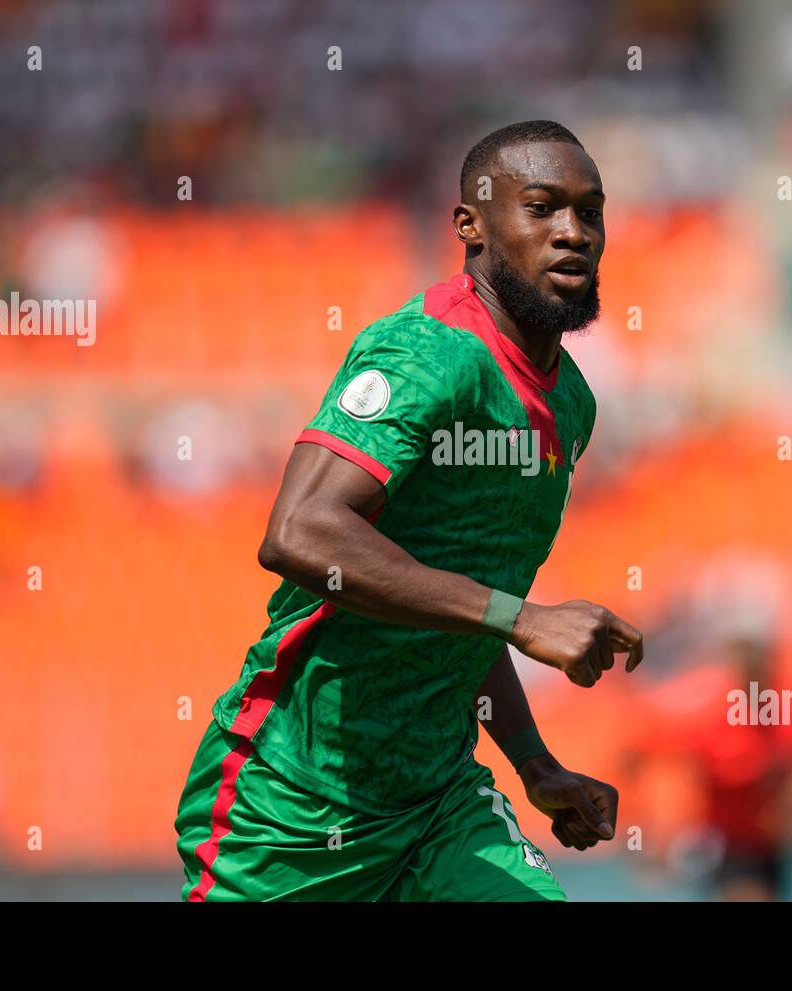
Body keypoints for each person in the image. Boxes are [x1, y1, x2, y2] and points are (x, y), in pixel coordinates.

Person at [175, 120, 644, 901]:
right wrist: (524, 616)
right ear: (471, 226)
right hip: (291, 806)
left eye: (589, 212)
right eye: (542, 207)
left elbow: (457, 601)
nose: (573, 233)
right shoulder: (426, 355)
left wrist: (534, 763)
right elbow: (299, 532)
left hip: (439, 805)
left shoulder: (570, 402)